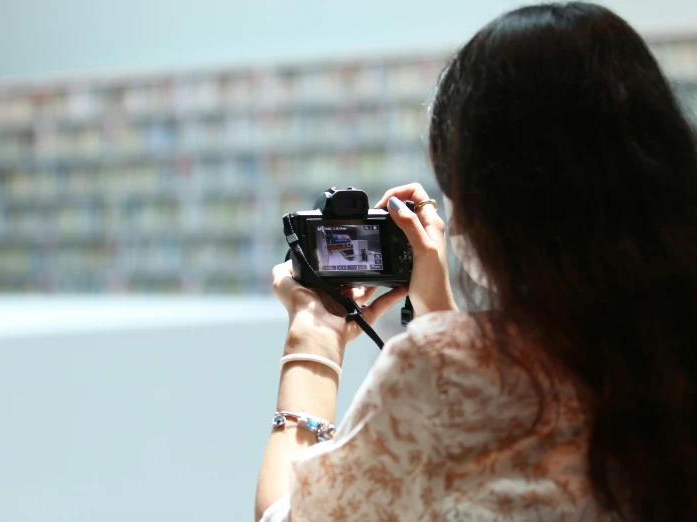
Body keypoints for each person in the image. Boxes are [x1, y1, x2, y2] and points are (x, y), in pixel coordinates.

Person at [255, 2, 697, 521]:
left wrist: (312, 340)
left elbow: (284, 517)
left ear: (487, 204)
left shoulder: (435, 370)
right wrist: (440, 316)